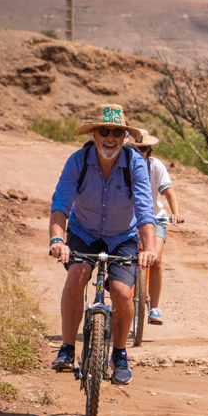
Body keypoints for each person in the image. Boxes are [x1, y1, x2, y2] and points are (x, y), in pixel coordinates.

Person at [49, 104, 158, 385]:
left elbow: (145, 211)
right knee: (77, 276)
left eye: (117, 132)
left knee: (122, 293)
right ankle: (67, 348)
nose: (110, 137)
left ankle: (119, 354)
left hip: (122, 237)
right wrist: (57, 239)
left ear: (124, 137)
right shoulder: (78, 161)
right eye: (104, 131)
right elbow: (61, 205)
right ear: (94, 135)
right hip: (83, 232)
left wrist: (149, 250)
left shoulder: (135, 164)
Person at [132, 129, 183, 325]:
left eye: (143, 149)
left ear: (149, 149)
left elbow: (169, 193)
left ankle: (154, 307)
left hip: (155, 220)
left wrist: (175, 212)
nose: (140, 153)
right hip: (129, 222)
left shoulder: (155, 167)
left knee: (156, 259)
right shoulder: (121, 166)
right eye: (136, 149)